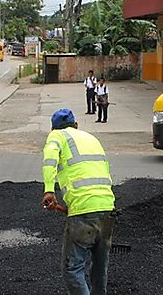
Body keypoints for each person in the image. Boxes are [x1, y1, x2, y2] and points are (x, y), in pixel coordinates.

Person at [41, 108, 116, 294]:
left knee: (73, 270)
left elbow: (49, 160)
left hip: (83, 211)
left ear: (54, 128)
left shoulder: (56, 136)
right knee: (100, 271)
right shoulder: (92, 139)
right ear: (76, 124)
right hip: (107, 208)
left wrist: (49, 191)